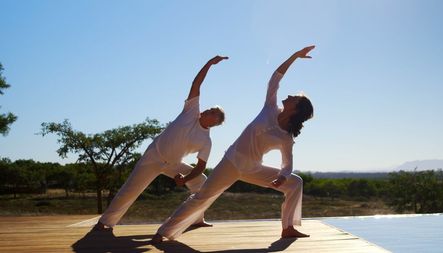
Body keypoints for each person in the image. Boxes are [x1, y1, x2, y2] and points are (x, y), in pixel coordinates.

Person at [152, 46, 315, 242]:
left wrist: (282, 177)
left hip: (252, 168)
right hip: (230, 163)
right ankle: (163, 233)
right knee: (202, 198)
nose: (289, 96)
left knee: (295, 182)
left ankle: (288, 227)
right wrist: (295, 56)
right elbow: (275, 78)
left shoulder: (286, 137)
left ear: (296, 108)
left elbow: (287, 164)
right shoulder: (270, 107)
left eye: (294, 97)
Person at [92, 55, 228, 231]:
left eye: (211, 112)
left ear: (214, 122)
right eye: (209, 108)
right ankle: (105, 223)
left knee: (202, 182)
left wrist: (185, 179)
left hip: (173, 164)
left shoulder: (206, 141)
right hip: (153, 156)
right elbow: (196, 84)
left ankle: (196, 218)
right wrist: (210, 63)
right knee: (131, 190)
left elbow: (201, 166)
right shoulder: (191, 111)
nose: (207, 110)